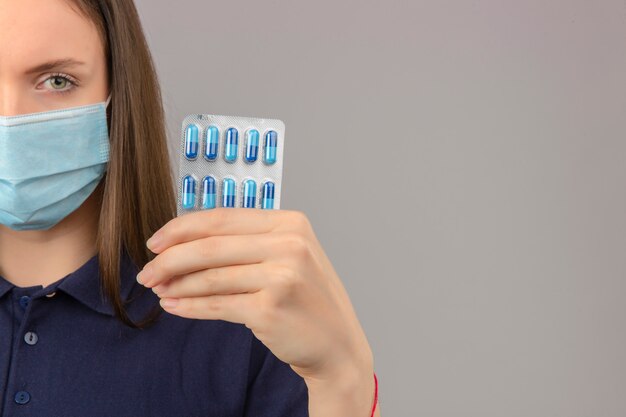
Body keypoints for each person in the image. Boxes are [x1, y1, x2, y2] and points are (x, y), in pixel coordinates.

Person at [0, 0, 380, 416]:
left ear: (116, 91)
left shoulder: (245, 317)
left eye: (57, 80)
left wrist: (343, 379)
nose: (10, 118)